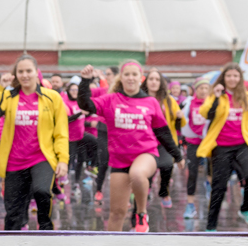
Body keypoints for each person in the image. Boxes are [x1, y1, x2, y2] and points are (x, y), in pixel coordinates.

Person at [77, 62, 182, 233]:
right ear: (122, 77)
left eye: (134, 74)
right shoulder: (111, 99)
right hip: (119, 160)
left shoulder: (150, 102)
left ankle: (141, 212)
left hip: (145, 154)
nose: (131, 78)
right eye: (127, 74)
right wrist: (84, 81)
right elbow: (86, 105)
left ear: (141, 78)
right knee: (116, 213)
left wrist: (177, 156)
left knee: (137, 174)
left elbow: (163, 132)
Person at [0, 55, 69, 231]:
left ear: (36, 73)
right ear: (15, 74)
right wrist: (1, 87)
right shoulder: (8, 96)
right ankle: (13, 244)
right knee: (13, 212)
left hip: (41, 157)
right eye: (21, 71)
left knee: (42, 191)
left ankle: (45, 227)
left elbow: (61, 132)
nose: (25, 75)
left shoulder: (52, 97)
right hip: (14, 161)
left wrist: (63, 159)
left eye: (28, 71)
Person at [198, 63, 248, 231]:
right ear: (223, 78)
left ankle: (246, 208)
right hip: (221, 147)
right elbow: (205, 113)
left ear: (240, 78)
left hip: (242, 145)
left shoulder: (247, 97)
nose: (232, 79)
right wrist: (217, 97)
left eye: (235, 76)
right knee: (219, 187)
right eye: (229, 76)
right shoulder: (216, 95)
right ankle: (211, 226)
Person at [143, 69, 185, 209]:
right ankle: (145, 190)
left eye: (157, 79)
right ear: (146, 82)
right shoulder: (140, 98)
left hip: (165, 142)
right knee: (148, 170)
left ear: (161, 83)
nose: (154, 82)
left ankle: (164, 192)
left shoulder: (169, 100)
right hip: (145, 142)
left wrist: (179, 117)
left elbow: (178, 125)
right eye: (151, 79)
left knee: (167, 166)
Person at [181, 78, 211, 219]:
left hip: (209, 142)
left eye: (206, 88)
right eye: (200, 88)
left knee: (211, 171)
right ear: (195, 90)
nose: (203, 91)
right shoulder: (189, 103)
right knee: (192, 172)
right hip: (193, 142)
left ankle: (209, 188)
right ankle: (190, 205)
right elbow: (182, 120)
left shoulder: (212, 102)